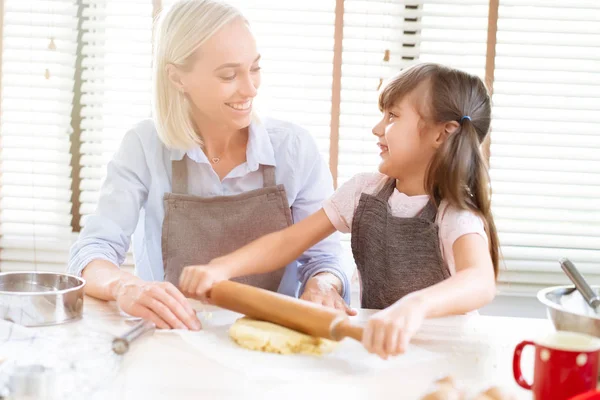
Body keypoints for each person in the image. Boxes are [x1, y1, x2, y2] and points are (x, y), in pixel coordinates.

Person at [179, 63, 499, 358]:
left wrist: (415, 306)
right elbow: (287, 242)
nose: (377, 128)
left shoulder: (454, 214)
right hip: (383, 351)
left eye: (393, 116)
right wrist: (222, 267)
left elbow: (480, 280)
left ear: (442, 133)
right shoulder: (364, 191)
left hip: (447, 355)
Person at [67, 0, 352, 331]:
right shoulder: (144, 147)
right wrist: (124, 286)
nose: (250, 88)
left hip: (273, 346)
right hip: (175, 339)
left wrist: (323, 284)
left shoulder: (294, 149)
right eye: (229, 74)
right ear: (177, 78)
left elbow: (325, 259)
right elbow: (92, 252)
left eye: (255, 68)